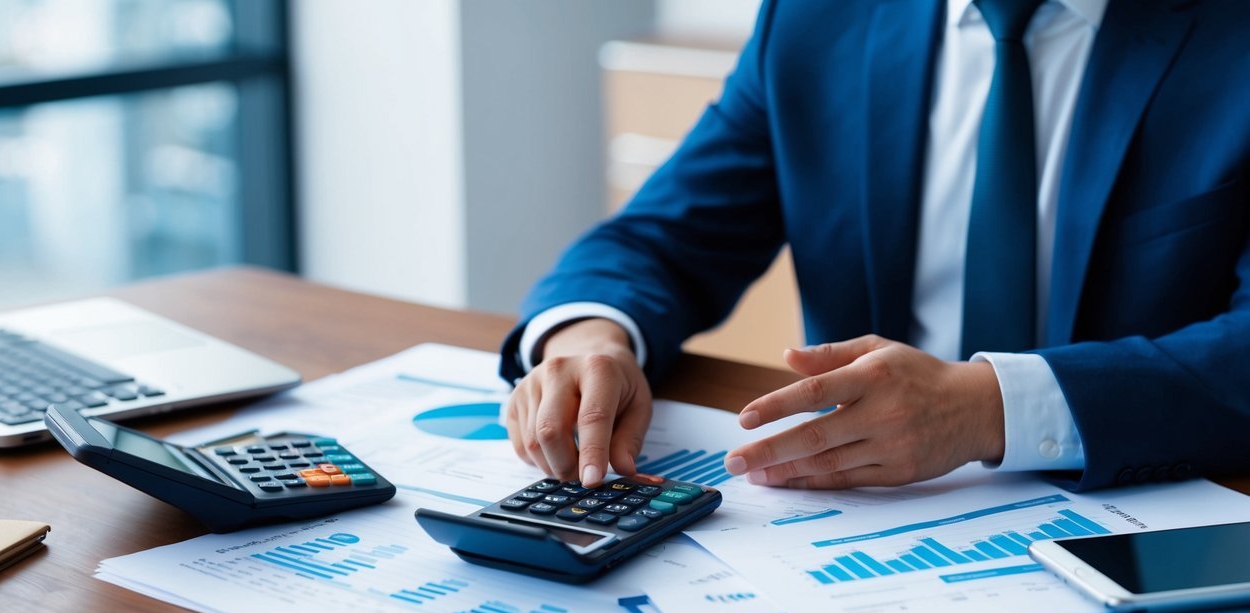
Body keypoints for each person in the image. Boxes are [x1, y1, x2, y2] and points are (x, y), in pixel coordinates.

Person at [499, 0, 1250, 493]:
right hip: (866, 517)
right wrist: (591, 338)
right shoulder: (818, 17)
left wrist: (988, 408)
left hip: (1153, 508)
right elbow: (663, 234)